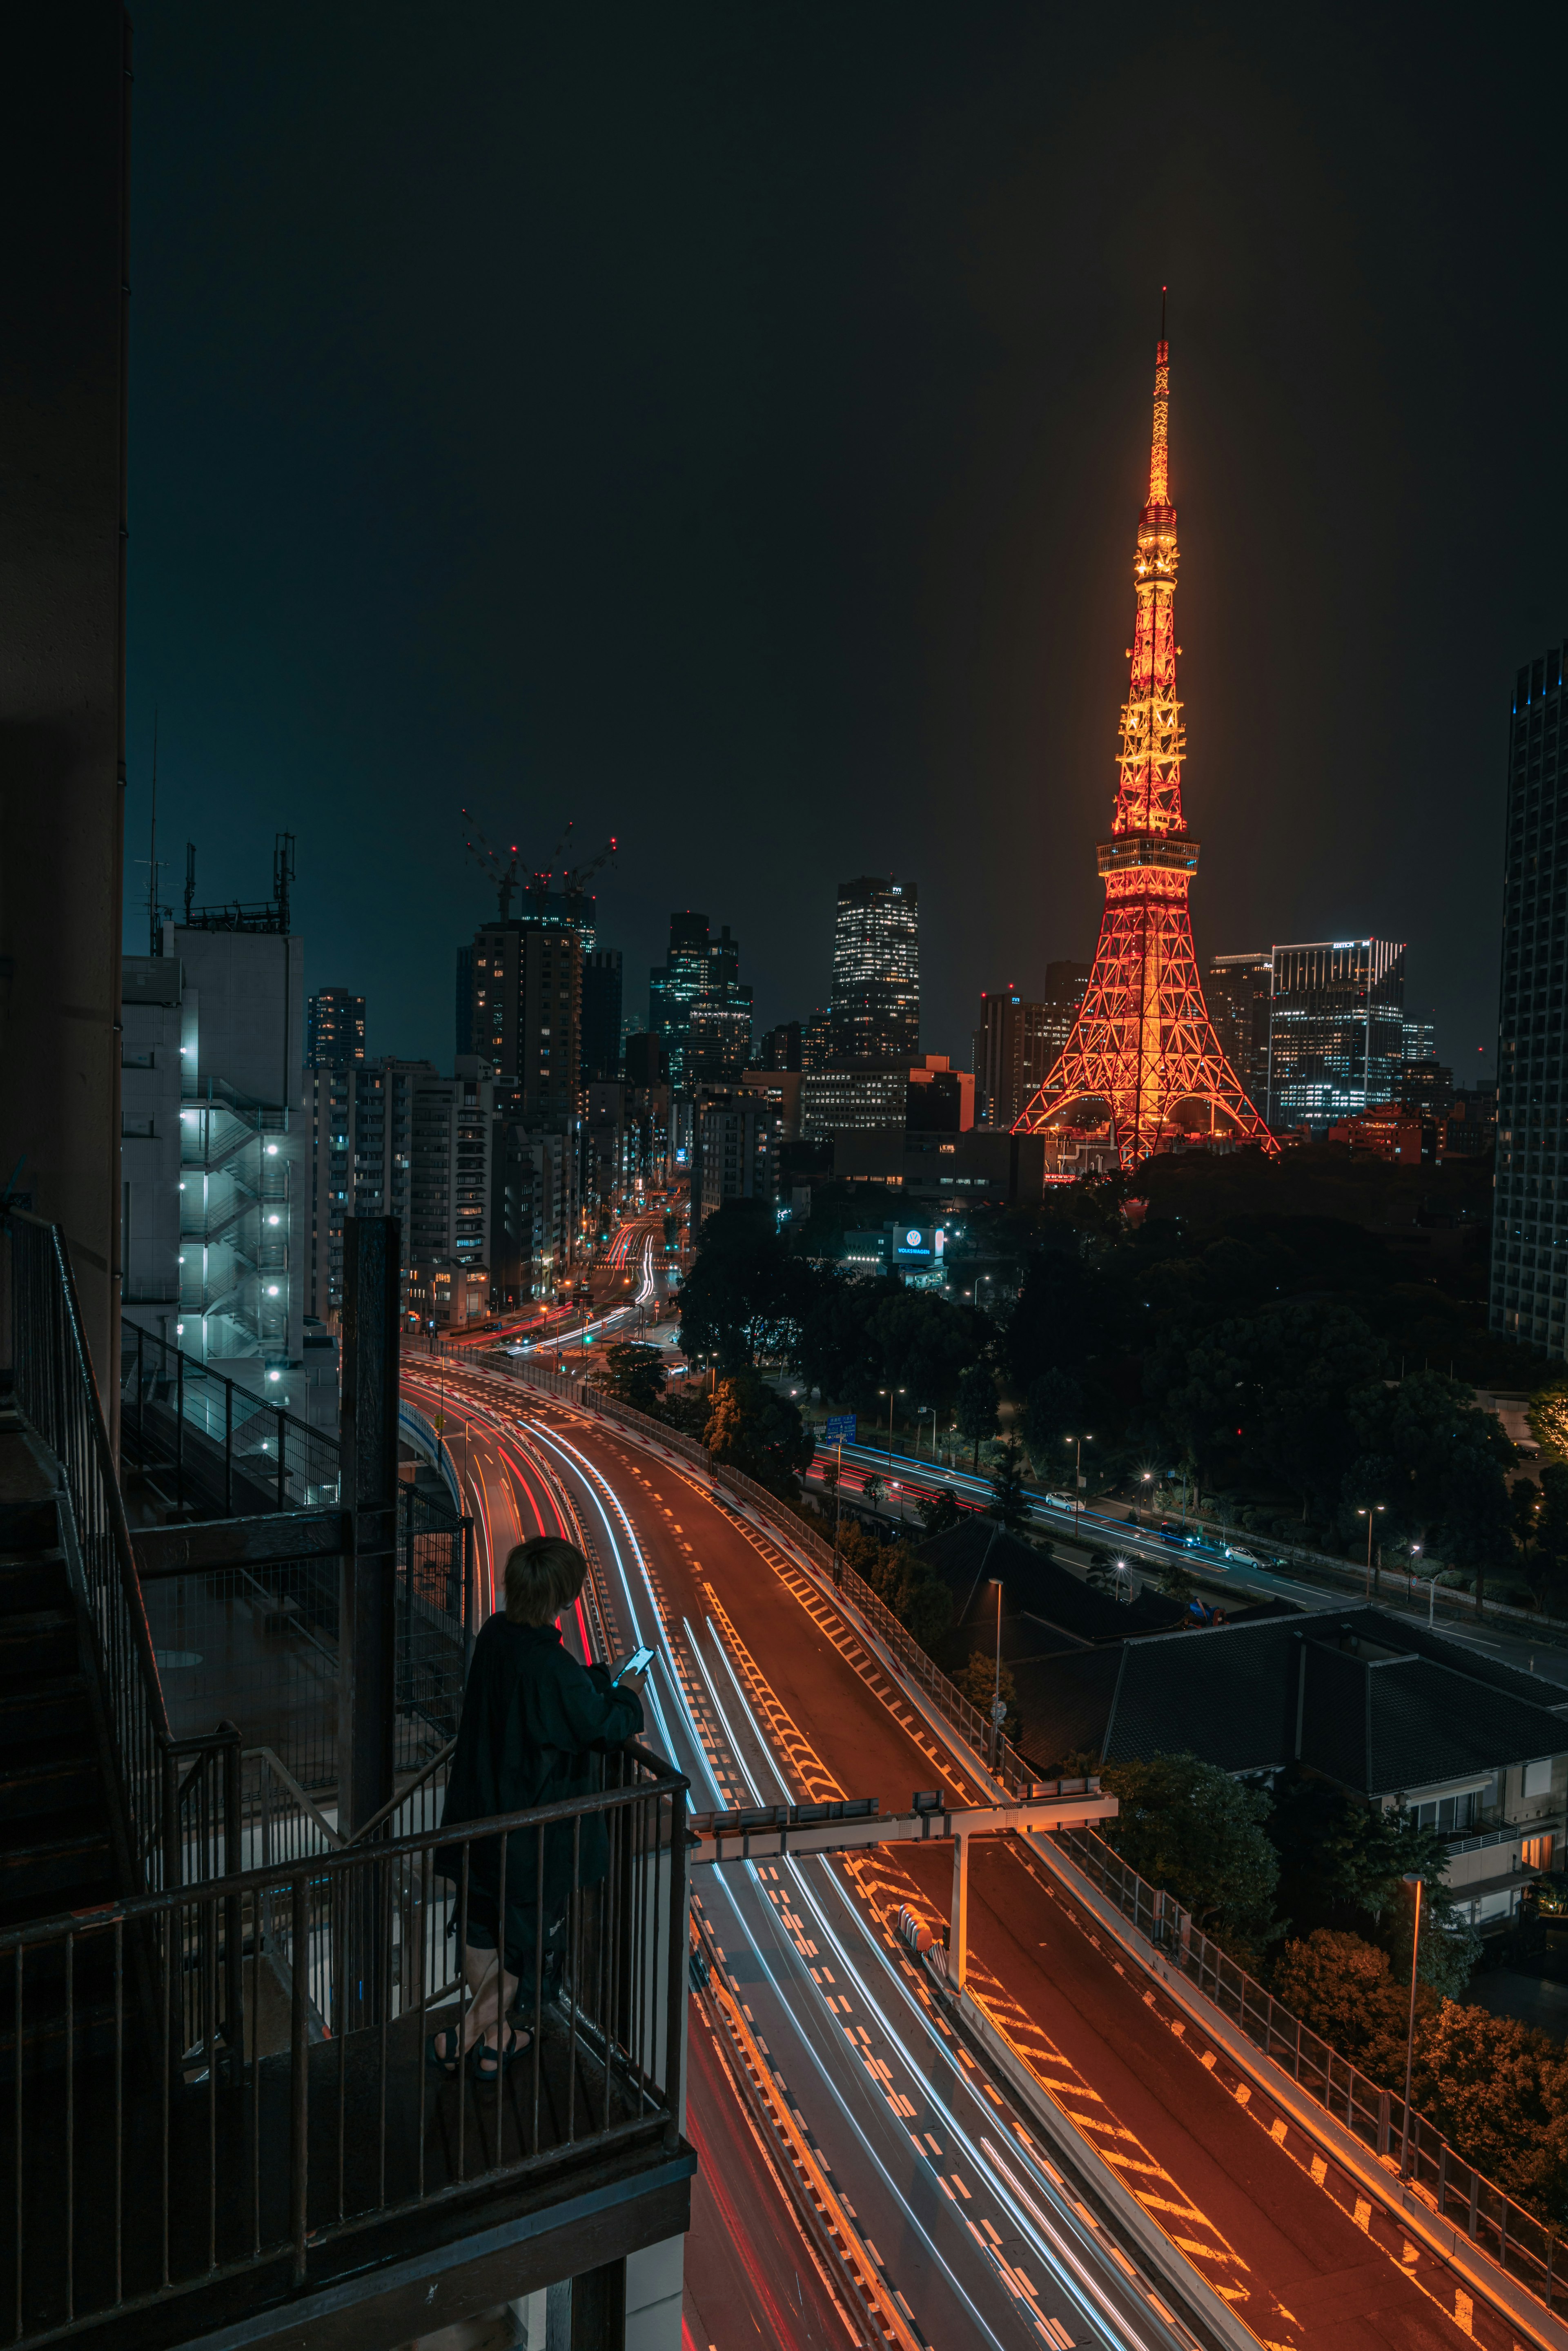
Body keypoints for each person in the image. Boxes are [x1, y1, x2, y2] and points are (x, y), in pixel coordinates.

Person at [428, 1533, 647, 2081]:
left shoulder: (495, 1634)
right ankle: (474, 2033)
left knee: (480, 1928)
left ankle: (486, 2033)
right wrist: (625, 1689)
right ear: (564, 1597)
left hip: (476, 1815)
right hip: (526, 1835)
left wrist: (592, 1677)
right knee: (526, 1950)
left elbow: (551, 1698)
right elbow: (602, 1725)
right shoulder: (550, 1663)